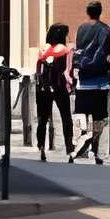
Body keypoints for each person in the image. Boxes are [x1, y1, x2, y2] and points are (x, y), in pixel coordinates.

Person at [72, 0, 110, 163]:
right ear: (100, 12)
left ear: (87, 12)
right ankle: (95, 149)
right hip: (100, 80)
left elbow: (78, 51)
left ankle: (82, 141)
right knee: (99, 117)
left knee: (82, 113)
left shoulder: (81, 29)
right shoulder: (107, 30)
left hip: (83, 79)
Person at [32, 22, 76, 158]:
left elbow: (38, 70)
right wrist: (72, 85)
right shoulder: (65, 51)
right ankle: (69, 149)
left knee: (43, 119)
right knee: (66, 118)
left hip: (44, 88)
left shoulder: (43, 50)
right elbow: (68, 72)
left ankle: (41, 147)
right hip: (59, 87)